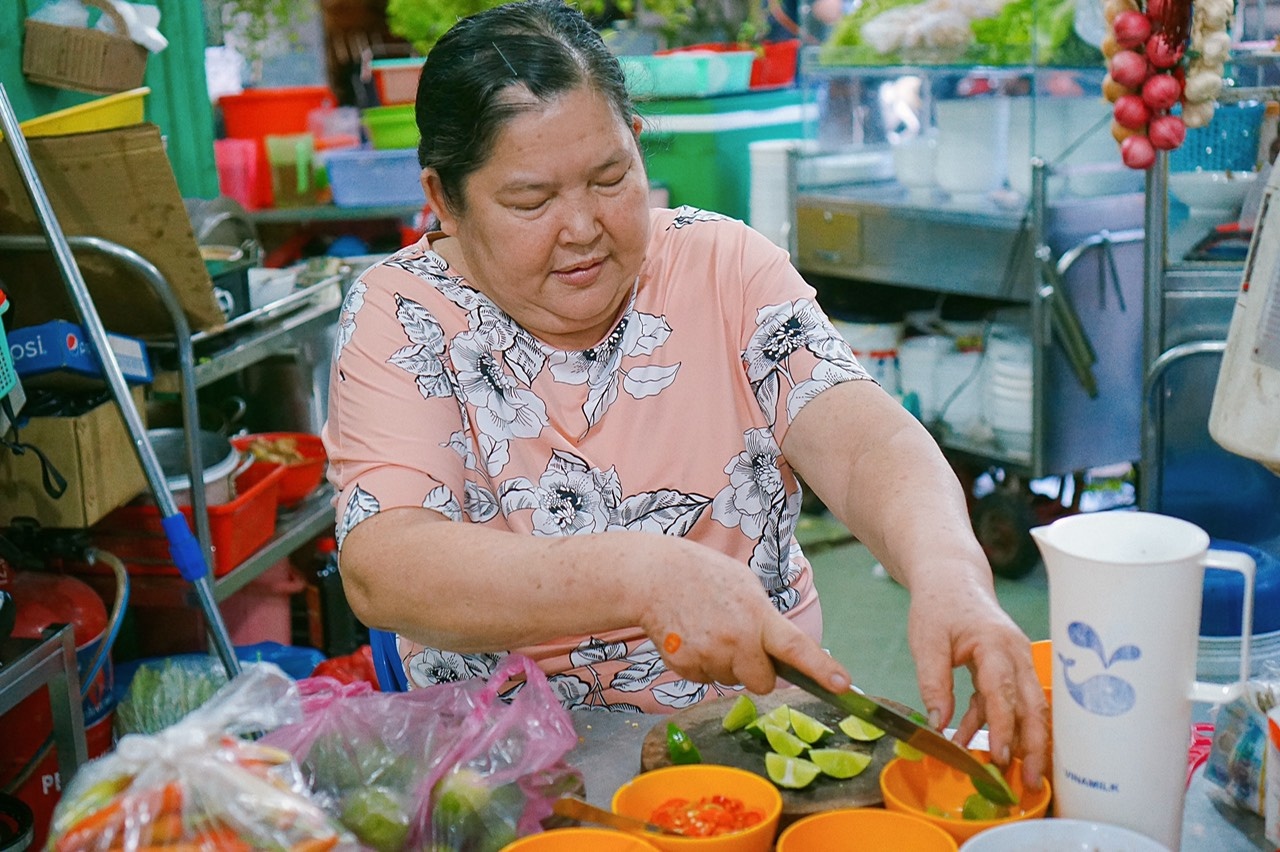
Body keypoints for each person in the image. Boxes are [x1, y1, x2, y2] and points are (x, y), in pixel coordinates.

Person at [322, 0, 1048, 786]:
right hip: (519, 774)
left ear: (636, 144)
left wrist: (950, 573)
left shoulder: (722, 266)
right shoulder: (404, 315)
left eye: (610, 178)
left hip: (757, 739)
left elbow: (868, 440)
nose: (582, 227)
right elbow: (383, 562)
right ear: (444, 199)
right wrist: (643, 574)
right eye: (531, 201)